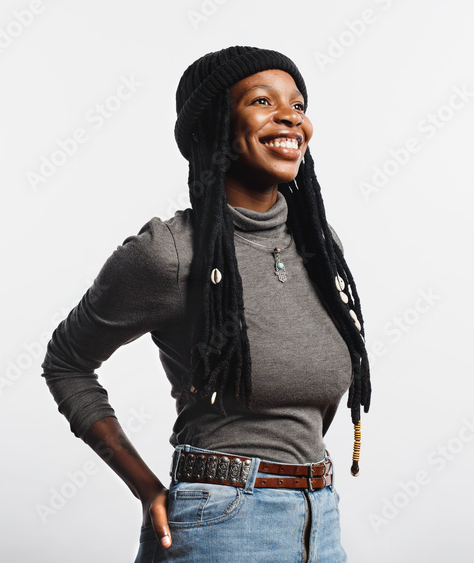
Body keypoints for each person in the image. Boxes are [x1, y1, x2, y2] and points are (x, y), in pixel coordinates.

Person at [40, 45, 372, 562]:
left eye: (299, 105)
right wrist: (145, 486)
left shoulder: (319, 245)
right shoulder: (169, 252)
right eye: (262, 101)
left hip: (320, 521)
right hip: (223, 523)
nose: (291, 118)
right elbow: (66, 364)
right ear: (213, 126)